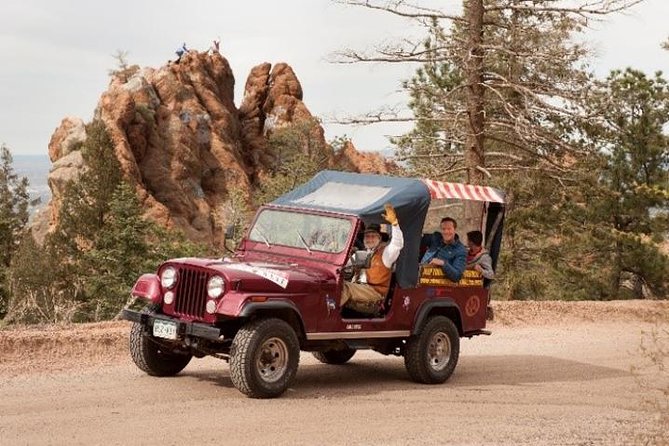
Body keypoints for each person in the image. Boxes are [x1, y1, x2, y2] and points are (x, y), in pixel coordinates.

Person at [341, 204, 403, 314]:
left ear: (379, 238)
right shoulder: (361, 254)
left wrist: (395, 224)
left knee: (344, 288)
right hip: (360, 290)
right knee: (333, 286)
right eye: (367, 236)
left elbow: (397, 244)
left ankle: (325, 318)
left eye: (373, 236)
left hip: (375, 295)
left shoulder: (386, 254)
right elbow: (342, 265)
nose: (369, 239)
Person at [420, 217, 466, 282]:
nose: (446, 232)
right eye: (443, 229)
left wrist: (443, 263)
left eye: (449, 229)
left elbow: (457, 276)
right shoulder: (436, 238)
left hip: (436, 285)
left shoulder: (460, 250)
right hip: (419, 277)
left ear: (455, 230)